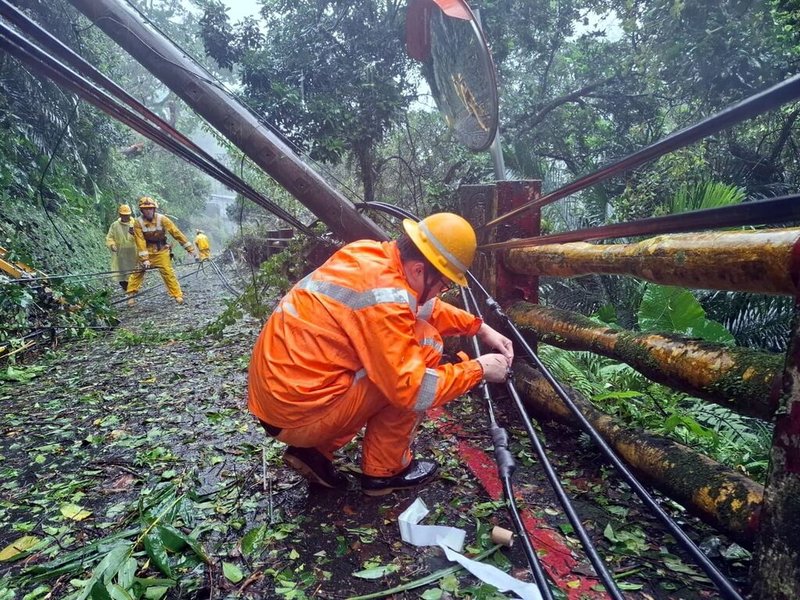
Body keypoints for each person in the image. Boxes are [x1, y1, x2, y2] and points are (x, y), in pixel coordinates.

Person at [248, 213, 514, 496]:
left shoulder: (370, 256)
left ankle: (314, 452)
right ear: (419, 270)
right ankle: (385, 472)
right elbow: (412, 389)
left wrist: (479, 327)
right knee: (426, 345)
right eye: (443, 284)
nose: (441, 291)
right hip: (299, 415)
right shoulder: (387, 296)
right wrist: (479, 369)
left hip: (279, 402)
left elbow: (422, 308)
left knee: (399, 348)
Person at [126, 196, 196, 305]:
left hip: (161, 250)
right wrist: (145, 259)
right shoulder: (137, 222)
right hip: (146, 250)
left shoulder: (162, 219)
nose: (148, 210)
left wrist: (189, 248)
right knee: (137, 272)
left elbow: (175, 232)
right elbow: (140, 241)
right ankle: (131, 296)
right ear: (141, 210)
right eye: (145, 209)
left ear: (154, 209)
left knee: (168, 272)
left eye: (150, 208)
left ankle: (177, 295)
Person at [105, 204, 137, 292]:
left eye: (127, 215)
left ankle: (132, 291)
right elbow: (110, 237)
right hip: (121, 254)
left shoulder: (135, 224)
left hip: (133, 253)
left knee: (133, 273)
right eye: (123, 215)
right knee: (122, 273)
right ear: (120, 215)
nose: (125, 217)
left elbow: (142, 237)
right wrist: (112, 245)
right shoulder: (115, 225)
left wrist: (135, 234)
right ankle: (126, 289)